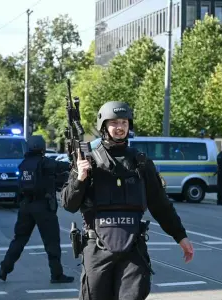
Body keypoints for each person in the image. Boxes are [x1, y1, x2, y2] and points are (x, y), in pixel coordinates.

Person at [61, 101, 194, 300]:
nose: (120, 127)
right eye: (114, 122)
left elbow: (160, 205)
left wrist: (180, 237)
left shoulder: (141, 163)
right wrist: (80, 177)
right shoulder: (88, 161)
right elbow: (69, 204)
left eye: (124, 122)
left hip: (133, 248)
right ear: (103, 126)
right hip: (97, 249)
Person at [0, 135, 74, 284]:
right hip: (43, 207)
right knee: (51, 242)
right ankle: (56, 274)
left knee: (19, 240)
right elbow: (63, 167)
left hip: (25, 207)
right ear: (42, 147)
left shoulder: (24, 164)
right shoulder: (45, 162)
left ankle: (4, 268)